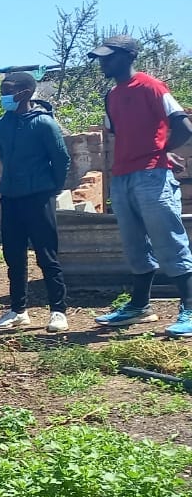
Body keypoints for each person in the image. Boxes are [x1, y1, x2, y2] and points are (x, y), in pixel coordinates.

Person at [89, 35, 192, 337]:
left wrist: (160, 153)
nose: (103, 63)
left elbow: (183, 126)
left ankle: (189, 307)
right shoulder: (111, 95)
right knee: (134, 245)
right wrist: (158, 149)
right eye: (101, 58)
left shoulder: (151, 86)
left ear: (127, 56)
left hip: (151, 176)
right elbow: (120, 132)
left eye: (108, 57)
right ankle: (139, 306)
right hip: (122, 176)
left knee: (168, 240)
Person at [0, 72, 70, 332]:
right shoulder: (1, 124)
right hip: (11, 197)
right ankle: (18, 310)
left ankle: (58, 311)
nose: (3, 96)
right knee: (13, 256)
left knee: (47, 255)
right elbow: (4, 155)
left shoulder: (44, 123)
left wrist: (52, 189)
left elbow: (61, 159)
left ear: (24, 93)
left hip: (39, 197)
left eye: (7, 91)